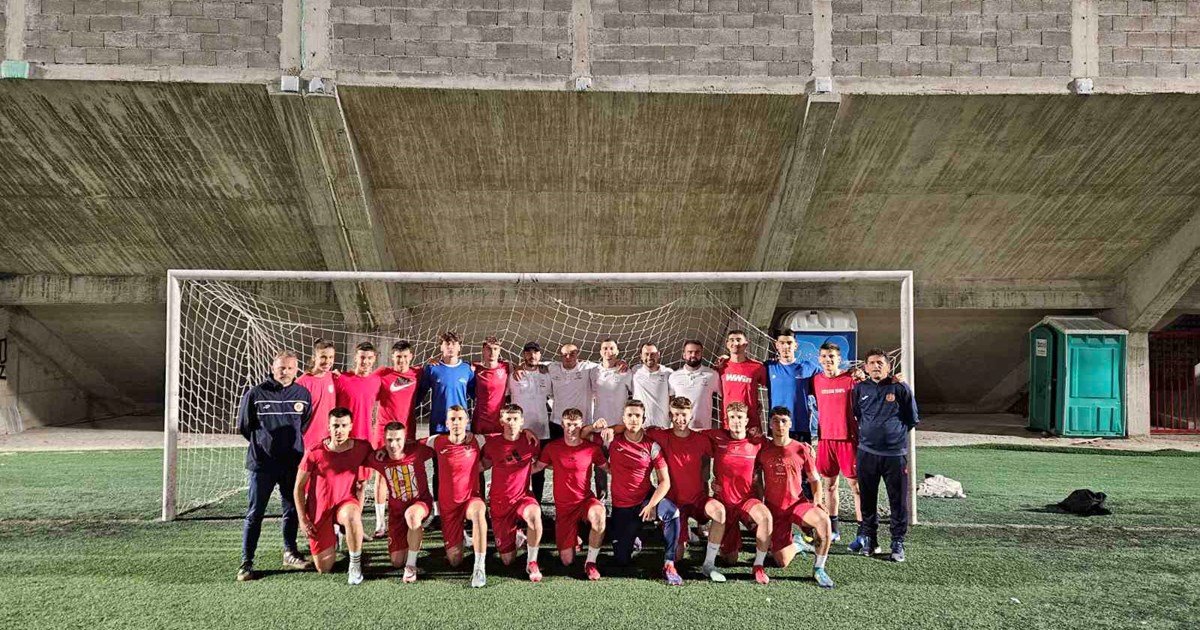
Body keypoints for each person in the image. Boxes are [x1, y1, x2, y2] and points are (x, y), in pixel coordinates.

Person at [236, 350, 313, 581]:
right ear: (272, 368)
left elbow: (303, 424)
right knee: (255, 513)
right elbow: (245, 427)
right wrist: (265, 445)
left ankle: (290, 552)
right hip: (262, 465)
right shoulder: (256, 394)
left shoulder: (302, 394)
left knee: (291, 509)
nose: (285, 372)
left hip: (292, 463)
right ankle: (246, 562)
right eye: (281, 368)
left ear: (296, 370)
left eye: (290, 368)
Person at [645, 396, 726, 581]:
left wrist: (718, 480)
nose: (680, 419)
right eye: (676, 415)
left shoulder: (702, 440)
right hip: (675, 504)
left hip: (698, 500)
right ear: (670, 416)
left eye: (684, 415)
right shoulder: (660, 436)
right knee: (678, 556)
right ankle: (678, 532)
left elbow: (725, 451)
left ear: (691, 416)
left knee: (719, 511)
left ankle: (708, 564)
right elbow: (636, 431)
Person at [602, 400, 682, 585]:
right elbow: (584, 435)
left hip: (645, 500)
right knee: (622, 559)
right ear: (623, 419)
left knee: (672, 512)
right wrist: (605, 428)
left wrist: (652, 504)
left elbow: (665, 481)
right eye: (629, 415)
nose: (633, 419)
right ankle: (636, 536)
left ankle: (669, 563)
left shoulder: (652, 445)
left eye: (637, 415)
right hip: (622, 506)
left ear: (643, 419)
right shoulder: (612, 440)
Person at [849, 348, 919, 562]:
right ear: (865, 367)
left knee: (898, 501)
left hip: (894, 456)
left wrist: (892, 436)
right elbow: (858, 414)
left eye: (880, 363)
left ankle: (897, 542)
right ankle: (870, 539)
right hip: (867, 453)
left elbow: (912, 419)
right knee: (867, 499)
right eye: (871, 363)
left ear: (889, 367)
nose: (876, 366)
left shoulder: (900, 388)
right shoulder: (859, 389)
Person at [293, 407, 373, 584]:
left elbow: (378, 462)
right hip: (320, 509)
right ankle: (334, 534)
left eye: (344, 425)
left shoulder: (362, 448)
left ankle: (355, 565)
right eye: (335, 425)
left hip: (346, 503)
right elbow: (298, 487)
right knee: (324, 567)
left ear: (350, 426)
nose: (339, 430)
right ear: (328, 427)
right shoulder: (314, 452)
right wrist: (303, 519)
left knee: (352, 516)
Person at [758, 407, 835, 588]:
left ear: (790, 424)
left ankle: (819, 569)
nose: (780, 425)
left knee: (823, 520)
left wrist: (817, 501)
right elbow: (754, 478)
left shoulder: (801, 449)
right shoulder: (762, 449)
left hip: (797, 504)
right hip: (774, 509)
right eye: (776, 421)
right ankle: (798, 543)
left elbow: (815, 480)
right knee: (781, 561)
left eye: (784, 421)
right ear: (770, 424)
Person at [533, 408, 607, 580]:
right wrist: (511, 466)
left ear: (581, 425)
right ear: (562, 425)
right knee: (567, 561)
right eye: (568, 425)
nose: (571, 429)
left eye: (575, 425)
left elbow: (608, 468)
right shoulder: (552, 448)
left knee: (599, 514)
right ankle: (576, 537)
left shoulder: (592, 449)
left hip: (585, 502)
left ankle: (590, 562)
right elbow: (537, 467)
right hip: (564, 509)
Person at [709, 401, 773, 585]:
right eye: (732, 418)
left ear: (746, 421)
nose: (736, 421)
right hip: (724, 503)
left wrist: (804, 446)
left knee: (765, 518)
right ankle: (730, 542)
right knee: (730, 560)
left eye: (739, 417)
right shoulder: (716, 437)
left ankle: (758, 566)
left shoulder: (757, 442)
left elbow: (780, 443)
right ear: (727, 420)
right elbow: (689, 436)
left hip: (747, 501)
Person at [481, 404, 545, 582]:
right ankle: (517, 535)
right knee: (508, 560)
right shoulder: (492, 443)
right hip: (500, 502)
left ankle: (532, 561)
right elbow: (484, 464)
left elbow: (539, 463)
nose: (511, 423)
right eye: (508, 419)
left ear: (522, 421)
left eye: (515, 419)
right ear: (501, 421)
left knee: (534, 514)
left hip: (522, 497)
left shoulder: (531, 441)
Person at [427, 405, 489, 587]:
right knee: (454, 560)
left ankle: (479, 567)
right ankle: (461, 537)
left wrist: (526, 432)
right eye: (452, 419)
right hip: (449, 508)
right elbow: (409, 446)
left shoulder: (478, 440)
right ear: (446, 423)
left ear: (467, 421)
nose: (456, 423)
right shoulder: (435, 441)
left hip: (470, 500)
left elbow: (506, 437)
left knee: (479, 511)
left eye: (460, 419)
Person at [366, 421, 434, 583]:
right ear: (384, 440)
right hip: (396, 513)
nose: (393, 445)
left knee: (412, 516)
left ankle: (411, 566)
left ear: (406, 439)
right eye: (389, 440)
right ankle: (412, 539)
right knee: (396, 561)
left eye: (398, 440)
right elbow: (354, 455)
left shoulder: (418, 449)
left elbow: (442, 441)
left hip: (420, 504)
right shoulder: (378, 458)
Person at [371, 340, 422, 539]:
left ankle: (404, 517)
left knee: (405, 475)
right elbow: (363, 381)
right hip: (384, 434)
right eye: (398, 357)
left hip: (407, 434)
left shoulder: (417, 374)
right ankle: (380, 523)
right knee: (382, 476)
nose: (402, 360)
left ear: (411, 357)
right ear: (392, 357)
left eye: (405, 357)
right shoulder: (382, 374)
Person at [811, 341, 860, 542]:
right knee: (829, 486)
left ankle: (863, 531)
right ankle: (833, 529)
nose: (828, 360)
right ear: (819, 359)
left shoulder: (850, 379)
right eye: (824, 356)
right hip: (825, 440)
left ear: (839, 359)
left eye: (831, 356)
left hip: (848, 440)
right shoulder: (816, 380)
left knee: (857, 487)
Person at [508, 341, 553, 504]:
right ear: (523, 354)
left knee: (538, 470)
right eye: (528, 352)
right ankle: (516, 503)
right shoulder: (513, 376)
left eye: (535, 352)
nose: (532, 355)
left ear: (540, 355)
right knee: (518, 468)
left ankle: (537, 504)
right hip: (519, 431)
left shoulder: (546, 374)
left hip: (541, 430)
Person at [589, 338, 631, 500]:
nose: (608, 351)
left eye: (612, 348)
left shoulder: (625, 372)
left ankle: (625, 500)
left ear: (617, 351)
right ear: (600, 352)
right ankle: (601, 500)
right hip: (600, 428)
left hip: (620, 428)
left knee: (622, 467)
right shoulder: (593, 371)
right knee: (600, 467)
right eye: (605, 348)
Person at [765, 329, 821, 444]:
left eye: (789, 343)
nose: (786, 346)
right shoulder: (768, 367)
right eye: (782, 343)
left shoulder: (807, 367)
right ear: (777, 345)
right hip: (777, 426)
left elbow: (831, 376)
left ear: (795, 346)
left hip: (800, 427)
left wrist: (852, 373)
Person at [717, 330, 768, 432]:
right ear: (727, 344)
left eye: (738, 340)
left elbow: (771, 388)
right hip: (728, 421)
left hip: (751, 421)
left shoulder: (757, 367)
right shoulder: (720, 367)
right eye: (732, 340)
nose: (735, 343)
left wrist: (760, 404)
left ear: (746, 344)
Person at [667, 340, 721, 430]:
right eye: (690, 352)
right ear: (684, 355)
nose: (693, 355)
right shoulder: (674, 376)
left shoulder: (712, 375)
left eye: (697, 352)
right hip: (679, 430)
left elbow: (725, 395)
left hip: (702, 429)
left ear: (702, 354)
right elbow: (670, 401)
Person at [334, 341, 382, 443]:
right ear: (356, 358)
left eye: (369, 358)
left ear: (374, 359)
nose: (365, 361)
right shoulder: (341, 379)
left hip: (366, 439)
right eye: (362, 357)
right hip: (343, 438)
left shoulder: (377, 381)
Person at [297, 339, 337, 450]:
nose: (327, 361)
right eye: (323, 357)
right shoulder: (302, 383)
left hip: (329, 443)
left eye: (331, 357)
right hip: (307, 444)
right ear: (314, 357)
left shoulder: (333, 378)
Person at [472, 336, 510, 436]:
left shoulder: (506, 367)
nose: (492, 352)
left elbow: (524, 368)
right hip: (480, 421)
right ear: (483, 351)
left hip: (500, 421)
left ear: (499, 351)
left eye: (495, 349)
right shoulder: (475, 368)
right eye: (489, 349)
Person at [630, 342, 673, 429]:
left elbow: (673, 399)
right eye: (646, 354)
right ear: (641, 356)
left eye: (653, 354)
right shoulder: (634, 371)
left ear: (658, 355)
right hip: (640, 427)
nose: (649, 357)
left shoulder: (668, 373)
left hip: (662, 426)